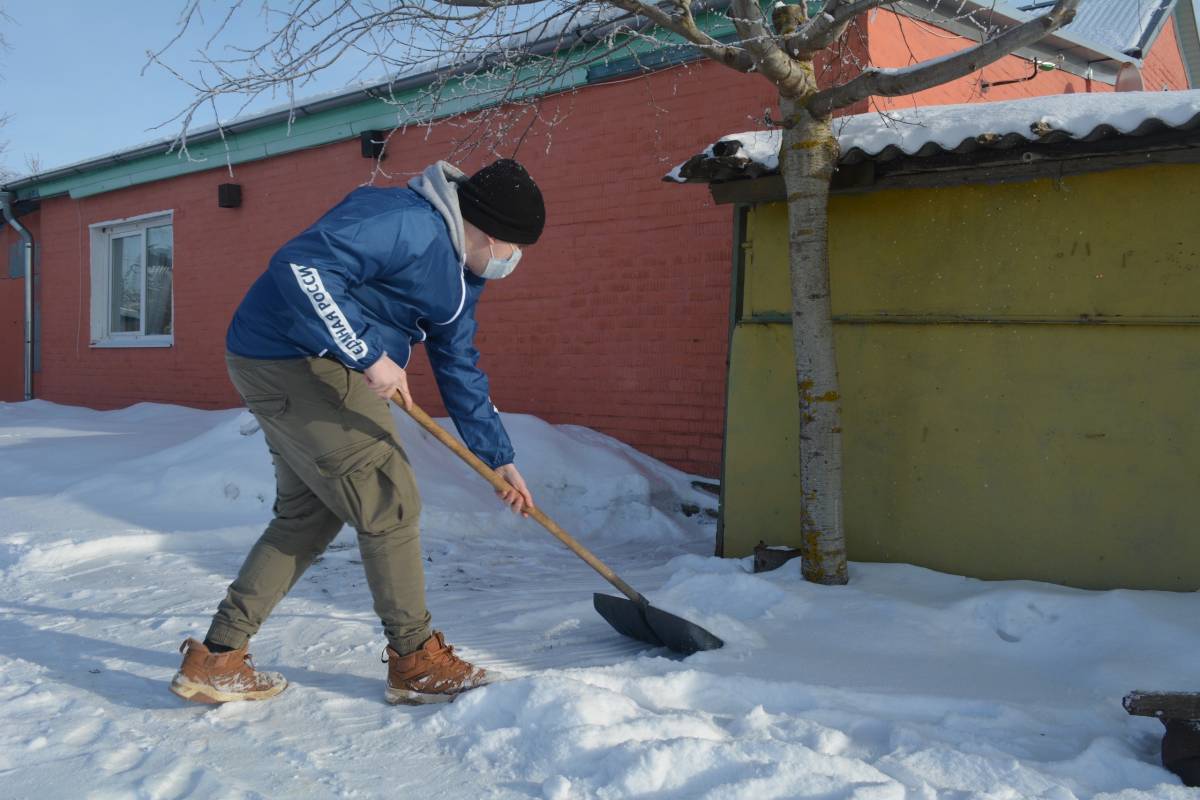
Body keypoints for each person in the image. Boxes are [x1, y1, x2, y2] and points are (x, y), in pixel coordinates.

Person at [169, 158, 544, 706]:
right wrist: (369, 353)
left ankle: (218, 658)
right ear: (490, 233)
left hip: (300, 362)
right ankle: (417, 660)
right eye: (514, 250)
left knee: (309, 514)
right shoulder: (403, 220)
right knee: (388, 499)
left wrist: (498, 458)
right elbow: (302, 268)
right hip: (295, 357)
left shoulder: (463, 275)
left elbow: (459, 363)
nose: (513, 262)